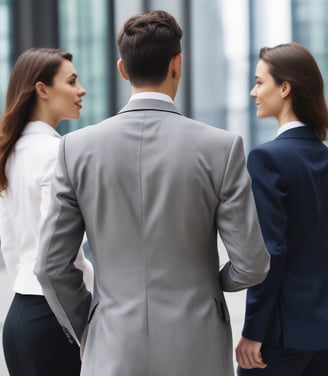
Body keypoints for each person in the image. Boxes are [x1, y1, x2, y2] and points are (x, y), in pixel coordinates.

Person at [35, 10, 270, 376]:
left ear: (122, 69)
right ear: (178, 64)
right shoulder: (221, 148)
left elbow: (50, 266)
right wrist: (214, 282)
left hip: (111, 344)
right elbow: (252, 264)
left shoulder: (75, 148)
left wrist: (90, 326)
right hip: (199, 344)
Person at [236, 42, 328, 375]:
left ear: (285, 88)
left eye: (260, 82)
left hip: (280, 335)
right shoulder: (323, 156)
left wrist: (252, 331)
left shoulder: (268, 158)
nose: (252, 91)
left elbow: (270, 251)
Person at [0, 48, 93, 376]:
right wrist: (84, 329)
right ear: (42, 89)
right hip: (56, 320)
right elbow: (57, 258)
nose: (81, 90)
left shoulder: (11, 151)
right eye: (71, 81)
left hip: (18, 318)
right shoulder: (58, 152)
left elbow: (10, 245)